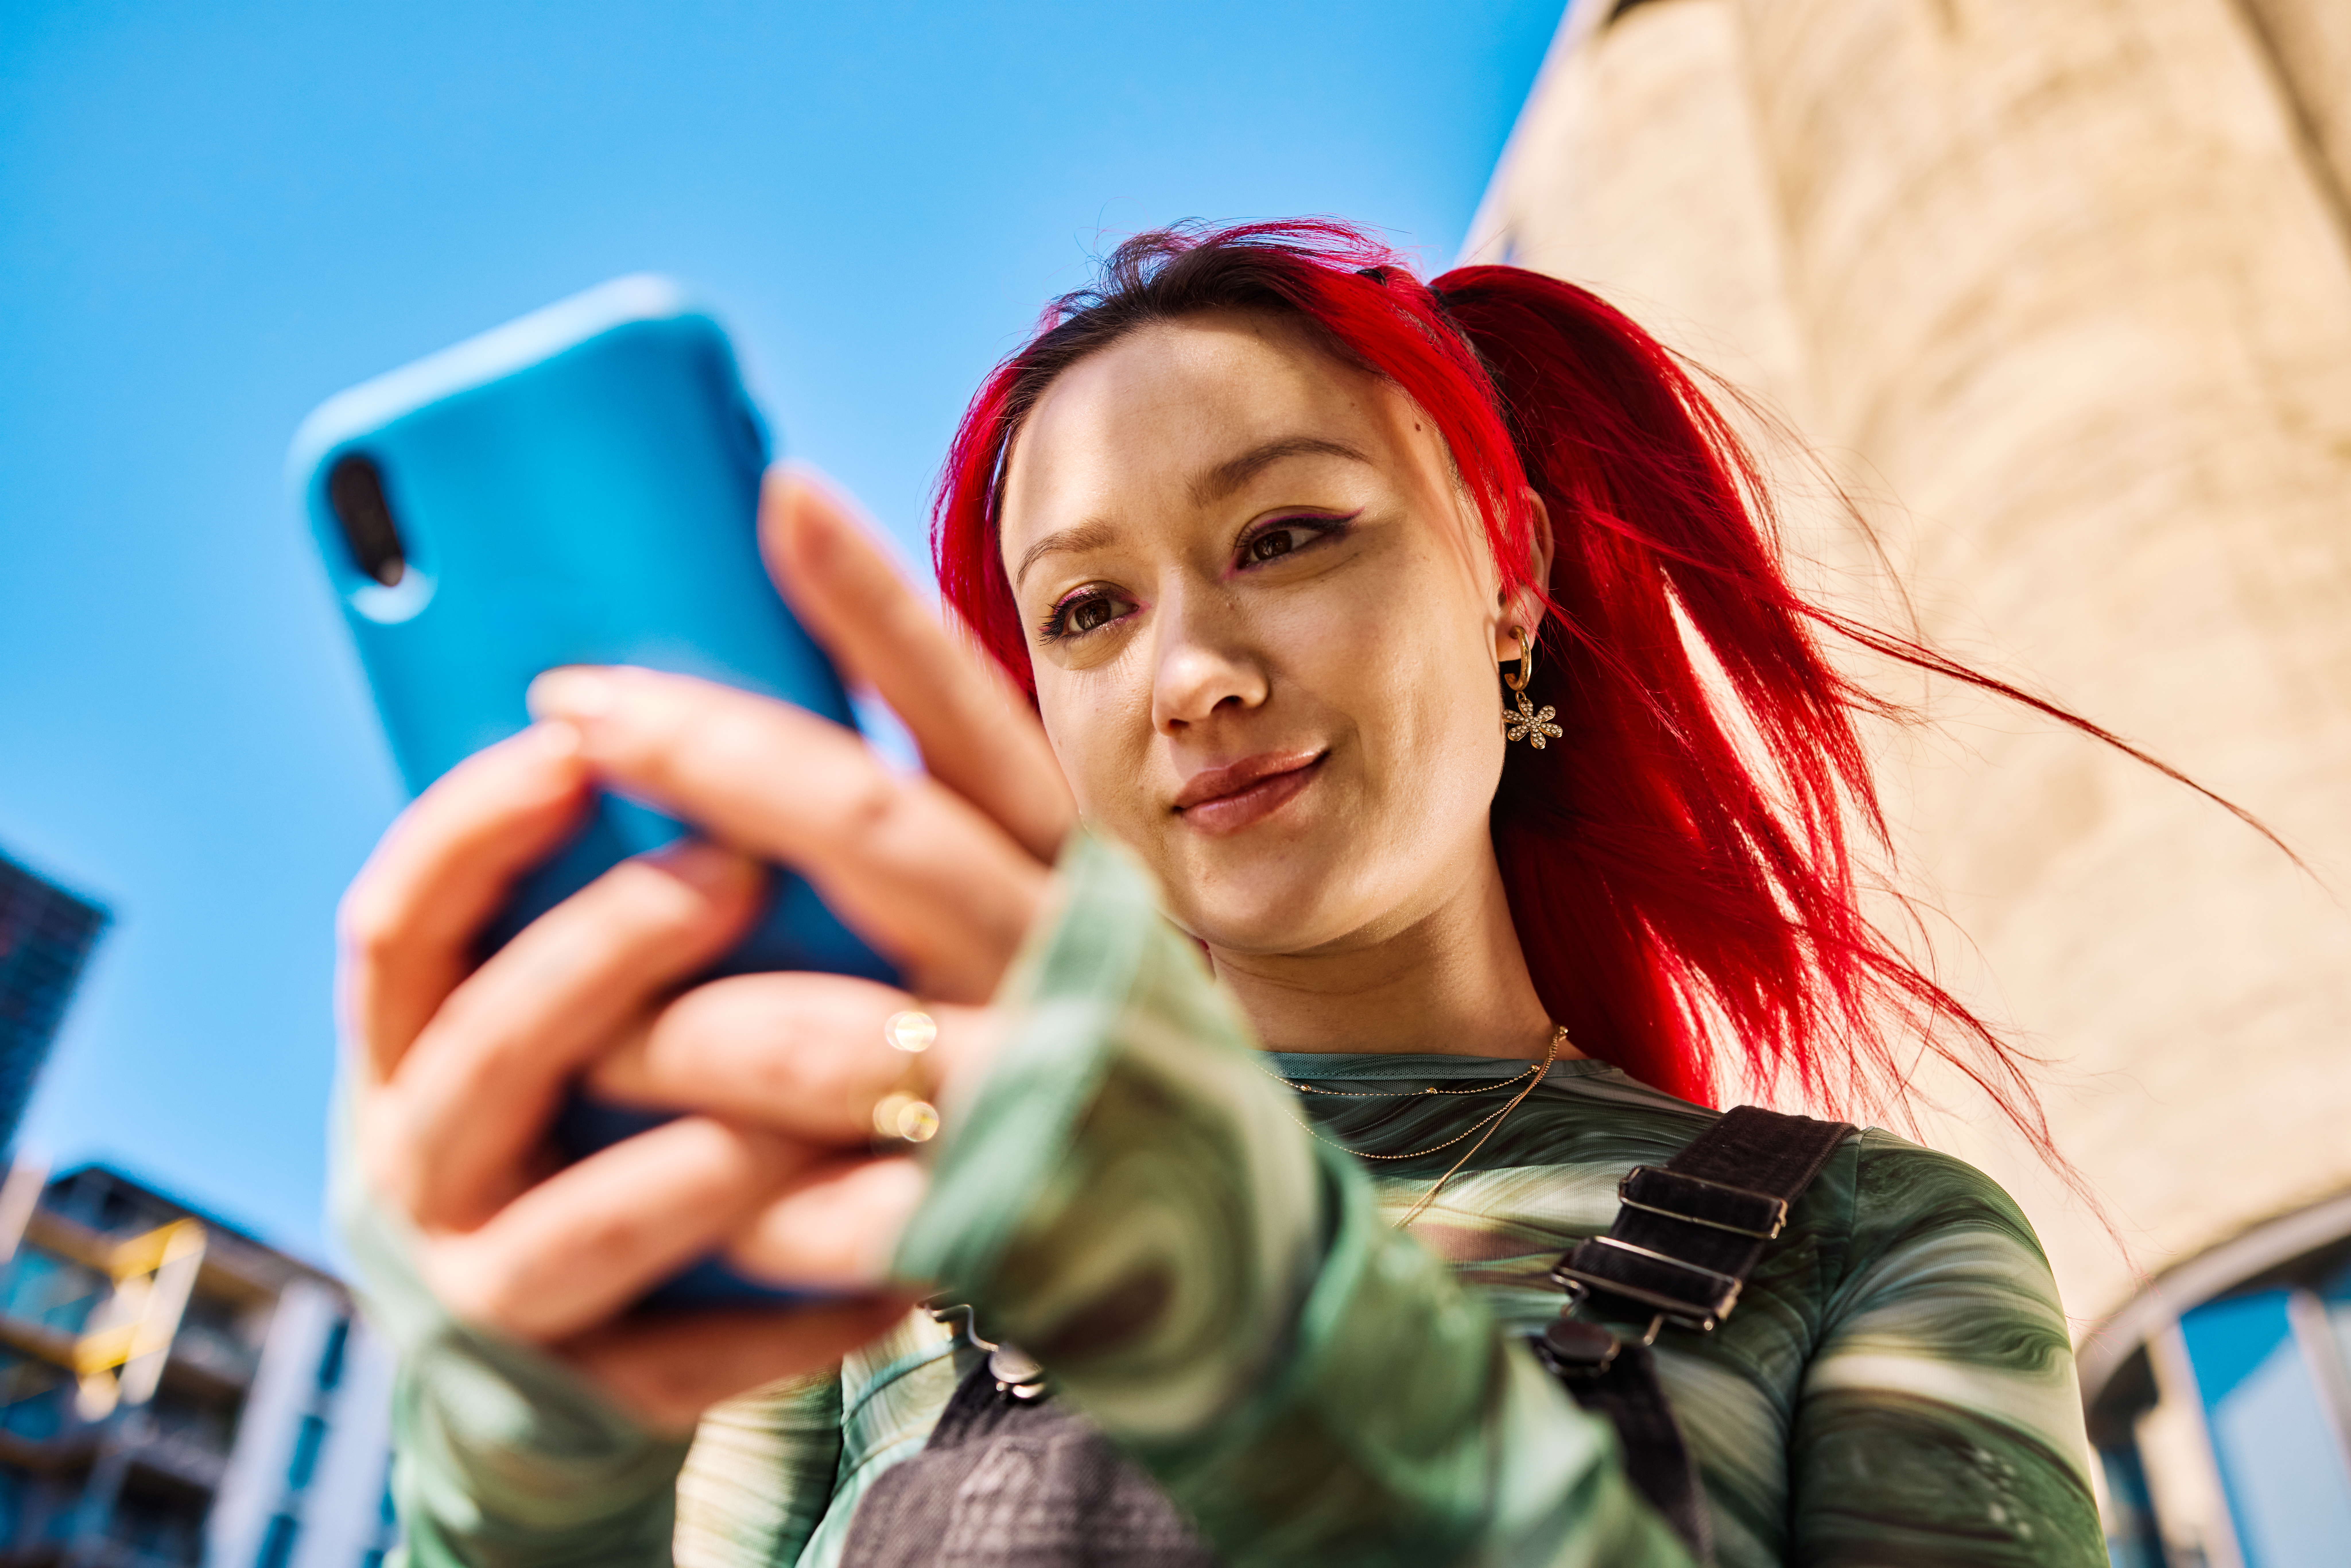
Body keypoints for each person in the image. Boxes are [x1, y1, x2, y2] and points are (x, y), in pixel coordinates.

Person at [335, 221, 2109, 1567]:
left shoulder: (1874, 1242)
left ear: (1510, 573)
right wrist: (510, 1497)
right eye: (1088, 613)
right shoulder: (862, 1280)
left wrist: (1264, 1322)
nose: (1191, 675)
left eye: (1286, 535)